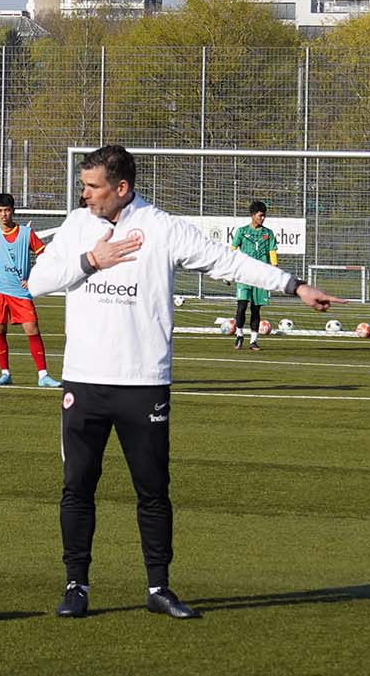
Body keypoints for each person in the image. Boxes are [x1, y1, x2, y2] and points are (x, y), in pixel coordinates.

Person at [27, 145, 333, 620]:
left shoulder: (163, 229)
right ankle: (76, 585)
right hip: (84, 383)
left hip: (144, 383)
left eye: (92, 187)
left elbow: (228, 262)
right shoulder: (76, 226)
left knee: (152, 490)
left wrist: (294, 286)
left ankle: (158, 588)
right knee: (77, 487)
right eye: (84, 186)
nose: (84, 194)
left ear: (121, 188)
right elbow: (37, 282)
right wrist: (92, 260)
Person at [0, 192, 59, 388]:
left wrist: (33, 277)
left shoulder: (27, 234)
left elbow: (46, 256)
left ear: (13, 211)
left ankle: (43, 375)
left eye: (7, 210)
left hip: (20, 292)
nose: (4, 215)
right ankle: (5, 373)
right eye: (0, 211)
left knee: (32, 329)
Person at [229, 201, 279, 351]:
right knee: (241, 306)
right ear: (253, 215)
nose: (263, 218)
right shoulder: (242, 231)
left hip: (261, 276)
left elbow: (272, 252)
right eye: (260, 215)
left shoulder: (267, 233)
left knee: (256, 309)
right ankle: (239, 335)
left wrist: (274, 269)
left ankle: (253, 341)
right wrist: (229, 269)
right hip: (244, 275)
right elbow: (232, 250)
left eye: (264, 216)